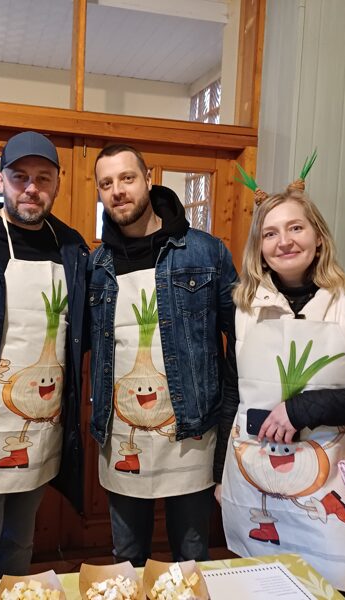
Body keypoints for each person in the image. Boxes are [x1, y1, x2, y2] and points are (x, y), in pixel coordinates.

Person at [217, 161, 345, 599]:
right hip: (258, 486)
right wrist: (219, 476)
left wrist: (305, 407)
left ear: (319, 236)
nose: (284, 241)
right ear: (259, 248)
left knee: (338, 590)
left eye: (296, 228)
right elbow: (233, 394)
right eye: (270, 233)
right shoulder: (243, 308)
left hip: (336, 486)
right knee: (266, 589)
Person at [0, 131, 88, 580]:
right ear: (0, 180)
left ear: (57, 183)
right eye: (20, 176)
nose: (31, 188)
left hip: (41, 424)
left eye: (43, 178)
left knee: (20, 547)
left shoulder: (71, 248)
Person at [88, 144, 238, 566]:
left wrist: (233, 412)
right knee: (127, 558)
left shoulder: (206, 252)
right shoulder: (95, 265)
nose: (118, 190)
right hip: (122, 436)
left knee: (191, 556)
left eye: (127, 178)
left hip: (192, 434)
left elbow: (242, 337)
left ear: (148, 180)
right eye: (106, 183)